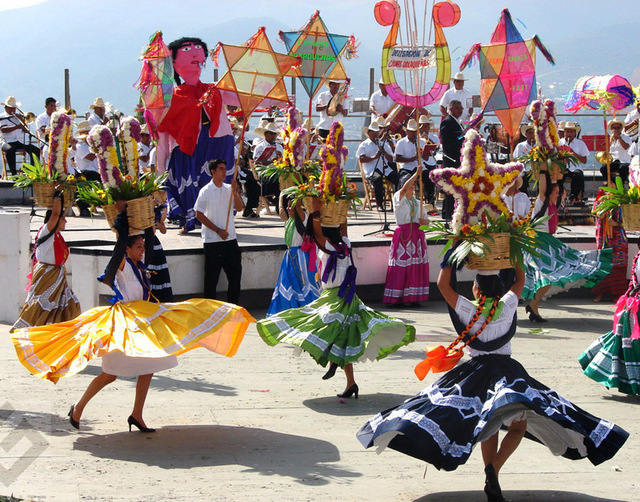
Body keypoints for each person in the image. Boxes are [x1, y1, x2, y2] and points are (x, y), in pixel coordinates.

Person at [358, 264, 628, 502]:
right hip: (507, 374)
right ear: (500, 289)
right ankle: (494, 470)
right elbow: (519, 281)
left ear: (476, 290)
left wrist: (450, 256)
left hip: (476, 374)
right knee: (518, 426)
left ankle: (491, 472)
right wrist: (516, 255)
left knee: (488, 426)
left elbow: (442, 284)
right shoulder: (509, 303)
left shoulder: (467, 308)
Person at [11, 207, 253, 432]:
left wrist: (144, 218)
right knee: (110, 374)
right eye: (138, 247)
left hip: (142, 322)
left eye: (142, 247)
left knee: (149, 367)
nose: (142, 250)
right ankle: (78, 409)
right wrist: (123, 223)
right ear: (127, 250)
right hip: (123, 326)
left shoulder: (139, 266)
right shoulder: (123, 266)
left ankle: (136, 414)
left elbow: (146, 244)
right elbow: (119, 252)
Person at [257, 211, 415, 398]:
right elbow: (342, 229)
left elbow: (318, 235)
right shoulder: (345, 245)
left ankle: (334, 363)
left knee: (312, 326)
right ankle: (350, 382)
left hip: (334, 299)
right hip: (348, 297)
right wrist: (340, 211)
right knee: (344, 338)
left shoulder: (327, 249)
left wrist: (317, 214)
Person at [156, 37, 235, 233]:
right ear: (173, 62)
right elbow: (162, 126)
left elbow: (242, 97)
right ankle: (187, 221)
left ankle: (217, 222)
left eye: (198, 49)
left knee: (216, 181)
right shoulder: (172, 96)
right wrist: (159, 163)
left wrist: (276, 100)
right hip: (187, 144)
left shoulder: (214, 89)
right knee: (187, 180)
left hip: (216, 141)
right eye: (187, 49)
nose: (193, 52)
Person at [523, 172, 612, 322]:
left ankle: (533, 305)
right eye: (556, 192)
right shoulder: (542, 201)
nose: (558, 195)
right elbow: (543, 187)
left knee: (558, 272)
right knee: (551, 275)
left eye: (559, 193)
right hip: (538, 242)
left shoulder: (552, 205)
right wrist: (545, 166)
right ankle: (533, 305)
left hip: (548, 242)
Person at [11, 190, 80, 331]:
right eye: (63, 218)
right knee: (40, 307)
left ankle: (54, 335)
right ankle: (27, 334)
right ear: (53, 221)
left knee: (65, 306)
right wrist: (58, 197)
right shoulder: (46, 231)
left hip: (57, 276)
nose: (65, 220)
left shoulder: (57, 235)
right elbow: (54, 214)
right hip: (47, 276)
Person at [580, 243, 640, 396]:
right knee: (628, 345)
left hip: (633, 306)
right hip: (635, 309)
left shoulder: (638, 257)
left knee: (624, 343)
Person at [194, 159, 244, 304]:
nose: (224, 172)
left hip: (230, 240)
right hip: (212, 241)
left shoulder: (229, 188)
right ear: (213, 171)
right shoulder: (206, 191)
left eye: (225, 168)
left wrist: (235, 192)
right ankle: (210, 309)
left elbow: (240, 208)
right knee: (211, 279)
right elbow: (199, 214)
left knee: (235, 276)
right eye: (221, 169)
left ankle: (233, 306)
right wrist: (217, 230)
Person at [266, 194, 320, 316]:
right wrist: (281, 197)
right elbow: (281, 211)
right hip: (290, 256)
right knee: (288, 283)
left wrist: (299, 193)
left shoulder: (302, 217)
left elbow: (297, 207)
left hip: (301, 258)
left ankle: (306, 310)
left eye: (291, 207)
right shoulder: (289, 220)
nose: (289, 209)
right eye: (288, 206)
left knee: (303, 283)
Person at [383, 166, 429, 306]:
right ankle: (397, 297)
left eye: (413, 186)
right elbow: (404, 189)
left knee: (415, 266)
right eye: (410, 185)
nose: (412, 188)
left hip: (416, 236)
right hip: (403, 234)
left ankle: (414, 297)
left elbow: (427, 223)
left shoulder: (418, 203)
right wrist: (416, 173)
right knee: (400, 265)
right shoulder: (399, 197)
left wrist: (424, 222)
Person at [591, 167, 628, 302]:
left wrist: (616, 224)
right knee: (604, 264)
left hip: (618, 238)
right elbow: (595, 213)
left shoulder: (621, 203)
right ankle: (600, 293)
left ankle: (617, 294)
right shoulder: (599, 202)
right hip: (605, 238)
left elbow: (627, 221)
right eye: (609, 187)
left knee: (619, 266)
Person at [356, 122, 395, 210]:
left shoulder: (383, 144)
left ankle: (400, 202)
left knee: (398, 178)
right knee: (378, 180)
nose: (375, 134)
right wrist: (374, 157)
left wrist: (384, 153)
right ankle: (380, 205)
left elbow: (391, 160)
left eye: (377, 132)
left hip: (384, 169)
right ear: (369, 133)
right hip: (371, 171)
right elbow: (361, 159)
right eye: (373, 132)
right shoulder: (364, 144)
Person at [0, 96, 40, 176]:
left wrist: (23, 122)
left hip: (21, 141)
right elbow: (4, 129)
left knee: (36, 150)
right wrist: (17, 126)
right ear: (6, 108)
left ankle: (32, 173)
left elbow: (26, 130)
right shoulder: (2, 117)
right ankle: (14, 174)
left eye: (14, 108)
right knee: (10, 150)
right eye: (11, 108)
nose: (13, 110)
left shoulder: (18, 117)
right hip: (8, 141)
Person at [440, 100, 465, 223]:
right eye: (457, 108)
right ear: (450, 109)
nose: (460, 110)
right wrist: (462, 142)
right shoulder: (447, 122)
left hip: (460, 160)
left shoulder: (459, 123)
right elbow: (447, 143)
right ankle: (448, 213)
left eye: (461, 108)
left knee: (457, 189)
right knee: (451, 188)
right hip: (452, 160)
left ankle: (451, 211)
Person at [252, 121, 283, 215]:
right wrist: (270, 161)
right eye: (271, 133)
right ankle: (279, 206)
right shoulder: (260, 147)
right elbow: (257, 163)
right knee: (277, 181)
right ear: (265, 134)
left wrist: (280, 158)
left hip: (277, 171)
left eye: (275, 134)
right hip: (265, 173)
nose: (274, 136)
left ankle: (281, 205)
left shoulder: (279, 146)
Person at [74, 120, 101, 217]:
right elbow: (90, 157)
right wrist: (98, 147)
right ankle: (83, 204)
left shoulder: (90, 145)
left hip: (93, 171)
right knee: (96, 178)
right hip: (83, 173)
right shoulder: (80, 146)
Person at [559, 121, 589, 200]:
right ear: (564, 132)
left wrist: (573, 153)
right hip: (562, 167)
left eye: (571, 132)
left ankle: (574, 195)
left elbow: (584, 160)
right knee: (556, 176)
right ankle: (560, 194)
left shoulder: (580, 143)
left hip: (575, 167)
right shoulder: (559, 142)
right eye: (567, 131)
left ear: (575, 133)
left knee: (578, 175)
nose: (569, 134)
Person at [395, 119, 426, 188]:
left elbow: (426, 158)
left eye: (415, 131)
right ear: (407, 132)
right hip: (407, 168)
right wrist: (412, 159)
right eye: (411, 131)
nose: (414, 133)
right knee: (404, 180)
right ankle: (403, 197)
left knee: (429, 177)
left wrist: (422, 154)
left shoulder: (422, 142)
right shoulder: (401, 142)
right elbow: (397, 158)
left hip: (420, 167)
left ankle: (430, 198)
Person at [419, 115, 439, 205]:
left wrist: (428, 139)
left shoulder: (433, 137)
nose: (424, 128)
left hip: (433, 162)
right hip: (422, 164)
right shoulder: (416, 138)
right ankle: (430, 201)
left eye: (426, 126)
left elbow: (437, 148)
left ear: (429, 127)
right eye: (422, 126)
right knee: (427, 176)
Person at [604, 118, 631, 183]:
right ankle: (612, 183)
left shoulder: (626, 137)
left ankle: (620, 185)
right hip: (614, 161)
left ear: (621, 129)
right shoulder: (611, 138)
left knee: (623, 168)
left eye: (618, 128)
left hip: (624, 161)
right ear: (611, 129)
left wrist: (619, 138)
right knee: (603, 168)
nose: (616, 130)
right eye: (614, 128)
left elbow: (626, 147)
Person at [512, 123, 535, 195]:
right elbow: (515, 159)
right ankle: (524, 197)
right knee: (523, 178)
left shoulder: (539, 145)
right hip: (525, 169)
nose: (532, 135)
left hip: (537, 170)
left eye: (533, 133)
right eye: (530, 133)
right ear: (526, 134)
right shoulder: (520, 146)